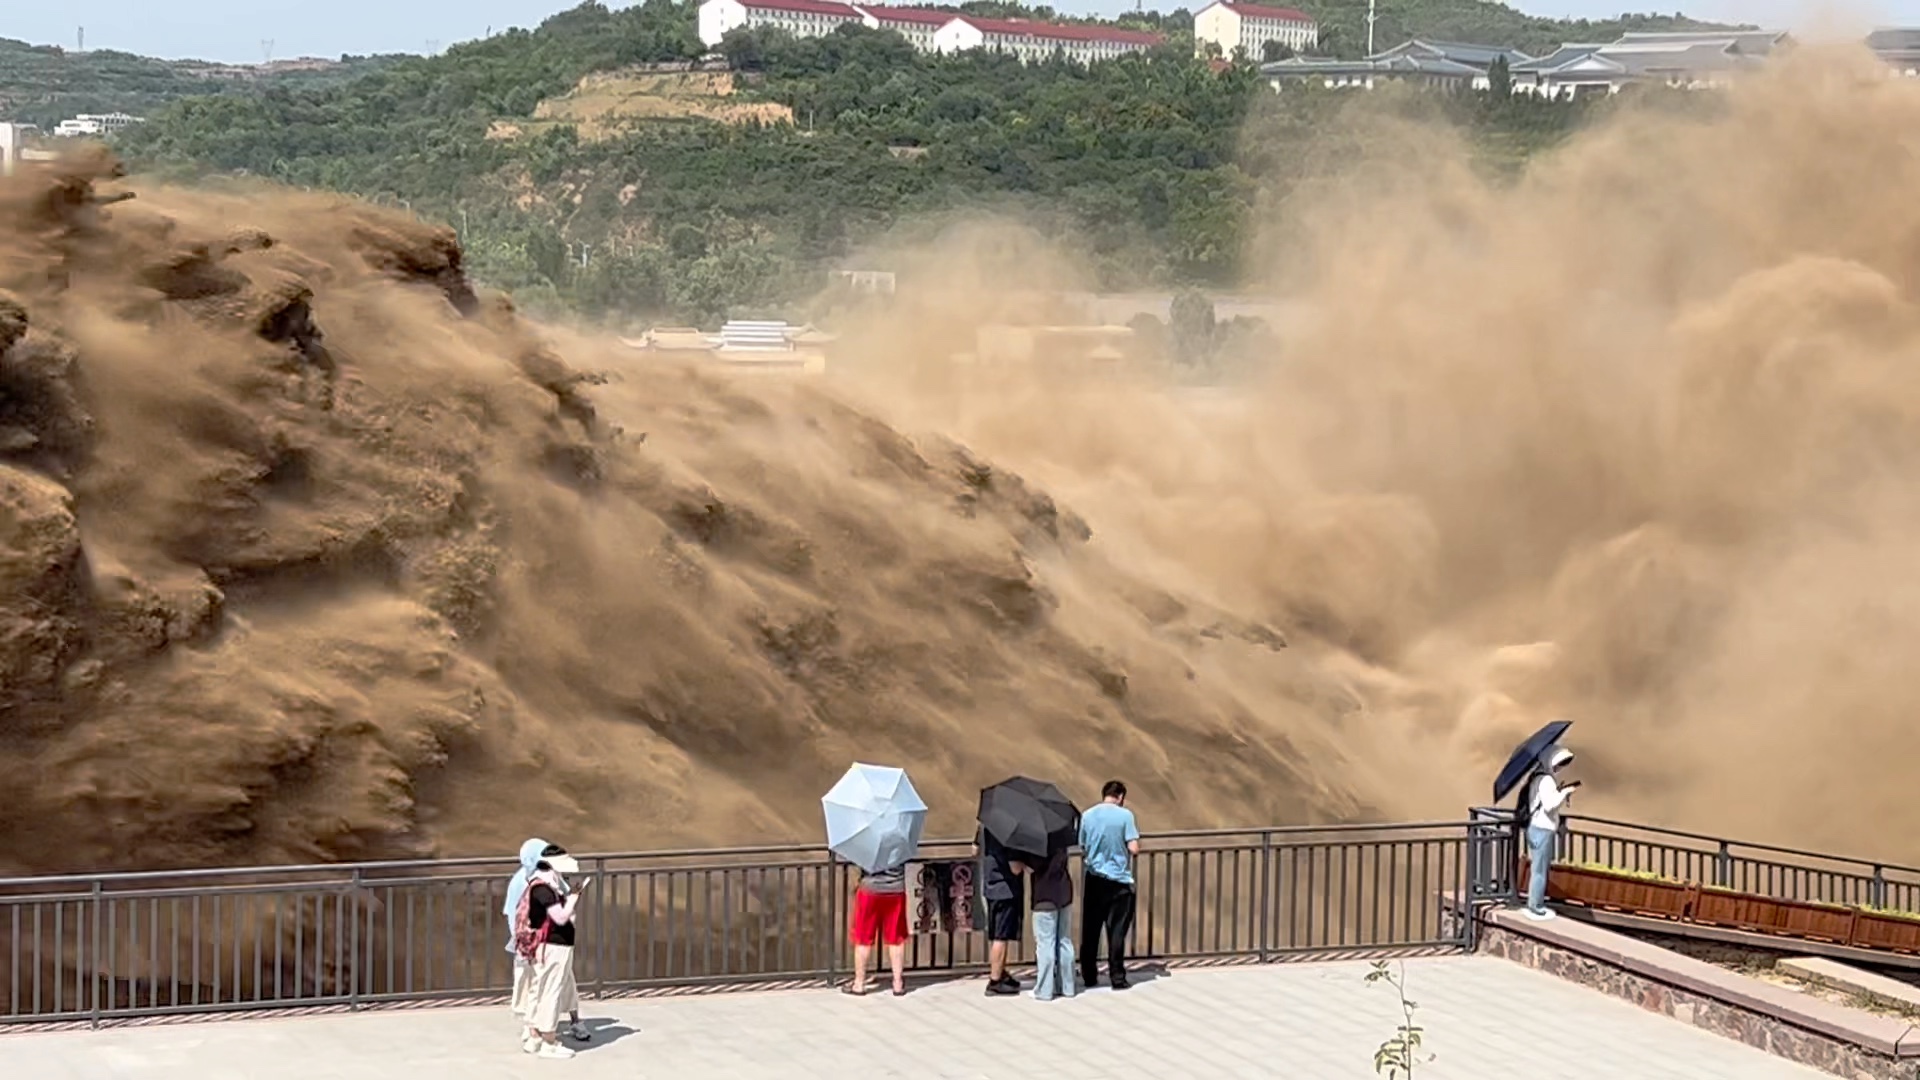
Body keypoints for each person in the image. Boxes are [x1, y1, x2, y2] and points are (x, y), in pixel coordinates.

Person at [513, 844, 589, 1058]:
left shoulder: (540, 885)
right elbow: (561, 917)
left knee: (540, 989)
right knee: (550, 992)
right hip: (552, 946)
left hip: (547, 946)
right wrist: (574, 896)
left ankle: (535, 1036)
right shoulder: (543, 890)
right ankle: (549, 1041)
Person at [1079, 780, 1140, 991]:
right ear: (1121, 796)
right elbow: (1134, 847)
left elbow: (1083, 845)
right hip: (1119, 880)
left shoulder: (1087, 815)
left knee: (1091, 929)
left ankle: (1088, 974)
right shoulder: (1126, 816)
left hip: (1094, 878)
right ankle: (1117, 977)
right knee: (1116, 931)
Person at [1016, 840, 1077, 1002]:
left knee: (1045, 943)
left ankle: (1044, 989)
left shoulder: (1036, 843)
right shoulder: (1061, 840)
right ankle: (1068, 986)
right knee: (1064, 941)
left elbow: (1028, 868)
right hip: (1064, 892)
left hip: (1044, 896)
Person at [1524, 746, 1580, 921]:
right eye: (1559, 763)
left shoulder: (1536, 778)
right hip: (1543, 829)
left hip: (1535, 827)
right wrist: (1564, 793)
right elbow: (1549, 806)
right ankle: (1535, 906)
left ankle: (1534, 904)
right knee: (1540, 870)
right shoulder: (1546, 780)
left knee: (1537, 868)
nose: (1560, 767)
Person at [846, 859, 909, 997]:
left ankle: (859, 983)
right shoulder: (901, 839)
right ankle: (898, 983)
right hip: (895, 890)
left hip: (870, 890)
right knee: (896, 938)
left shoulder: (867, 840)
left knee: (863, 938)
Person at [977, 825, 1024, 996]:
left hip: (990, 885)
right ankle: (995, 980)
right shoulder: (1009, 832)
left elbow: (974, 849)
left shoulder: (984, 826)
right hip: (1006, 889)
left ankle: (1000, 971)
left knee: (996, 933)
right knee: (1001, 936)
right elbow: (1015, 867)